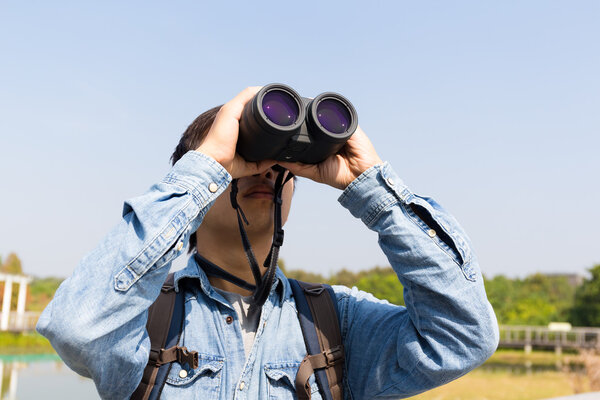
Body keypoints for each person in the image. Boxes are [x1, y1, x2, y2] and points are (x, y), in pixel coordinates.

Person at [37, 86, 499, 399]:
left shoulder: (333, 322)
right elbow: (79, 328)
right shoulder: (148, 319)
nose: (266, 171)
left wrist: (371, 187)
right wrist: (207, 167)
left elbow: (461, 339)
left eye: (282, 166)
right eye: (245, 158)